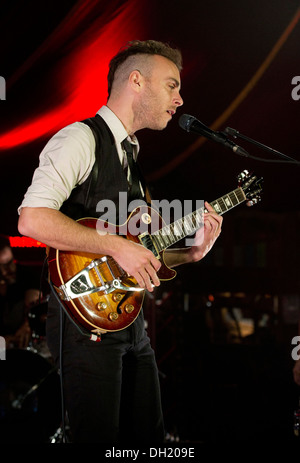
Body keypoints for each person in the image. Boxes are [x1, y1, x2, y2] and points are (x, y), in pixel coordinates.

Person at [18, 40, 223, 444]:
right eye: (171, 86)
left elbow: (140, 254)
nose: (180, 99)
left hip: (131, 324)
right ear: (136, 81)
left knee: (150, 439)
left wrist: (192, 253)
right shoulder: (81, 139)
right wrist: (114, 245)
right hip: (84, 321)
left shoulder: (131, 157)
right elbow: (31, 218)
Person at [0, 234, 40, 348]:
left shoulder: (27, 275)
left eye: (8, 264)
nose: (4, 272)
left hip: (22, 343)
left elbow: (33, 308)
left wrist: (27, 325)